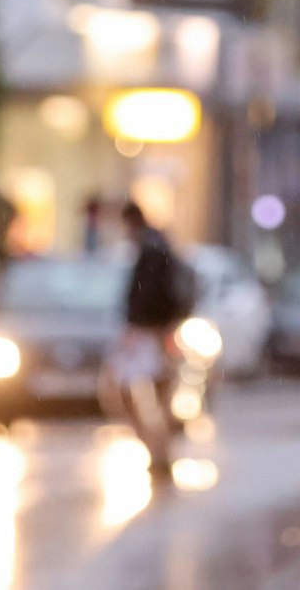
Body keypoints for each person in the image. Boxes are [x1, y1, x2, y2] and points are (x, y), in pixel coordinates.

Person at [113, 201, 194, 475]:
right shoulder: (159, 246)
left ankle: (158, 447)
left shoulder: (150, 250)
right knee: (158, 391)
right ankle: (161, 446)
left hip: (152, 332)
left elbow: (148, 294)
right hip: (161, 330)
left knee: (131, 391)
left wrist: (139, 324)